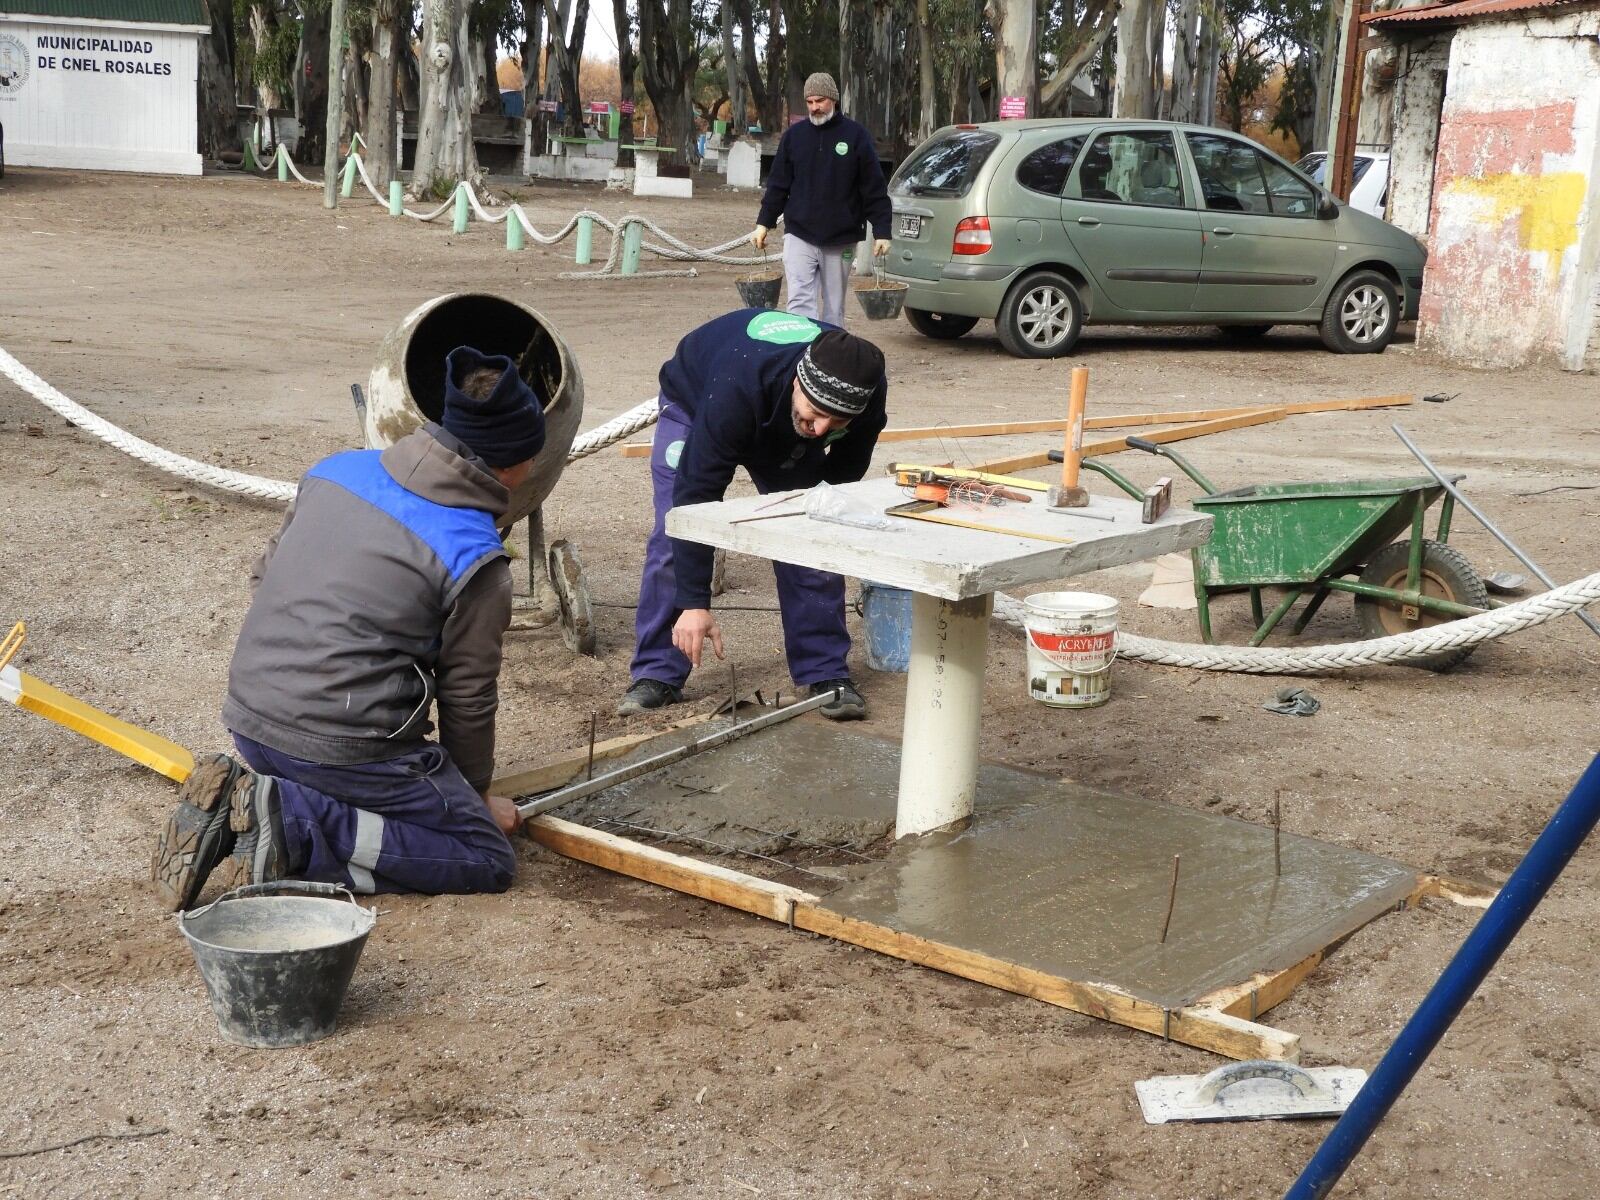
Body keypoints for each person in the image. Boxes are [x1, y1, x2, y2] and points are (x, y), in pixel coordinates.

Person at [151, 347, 546, 910]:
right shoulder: (476, 557)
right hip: (339, 747)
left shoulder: (334, 471)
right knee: (484, 856)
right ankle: (293, 825)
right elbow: (469, 695)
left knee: (345, 774)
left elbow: (265, 576)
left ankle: (258, 796)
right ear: (513, 464)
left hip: (250, 721)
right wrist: (476, 797)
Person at [618, 308, 888, 720]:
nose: (820, 429)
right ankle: (658, 672)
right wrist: (694, 603)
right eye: (815, 414)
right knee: (671, 539)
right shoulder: (734, 392)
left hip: (775, 415)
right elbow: (694, 499)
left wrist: (810, 500)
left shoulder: (866, 386)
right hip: (698, 400)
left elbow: (846, 467)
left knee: (809, 536)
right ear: (798, 382)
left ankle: (824, 670)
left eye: (836, 422)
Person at [752, 73, 893, 330]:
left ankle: (831, 357)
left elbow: (873, 188)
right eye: (810, 101)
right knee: (798, 302)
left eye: (820, 100)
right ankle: (798, 355)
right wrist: (764, 223)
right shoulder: (794, 137)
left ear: (834, 100)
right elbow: (778, 185)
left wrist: (883, 231)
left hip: (842, 238)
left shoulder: (856, 136)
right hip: (799, 234)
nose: (814, 107)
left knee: (834, 307)